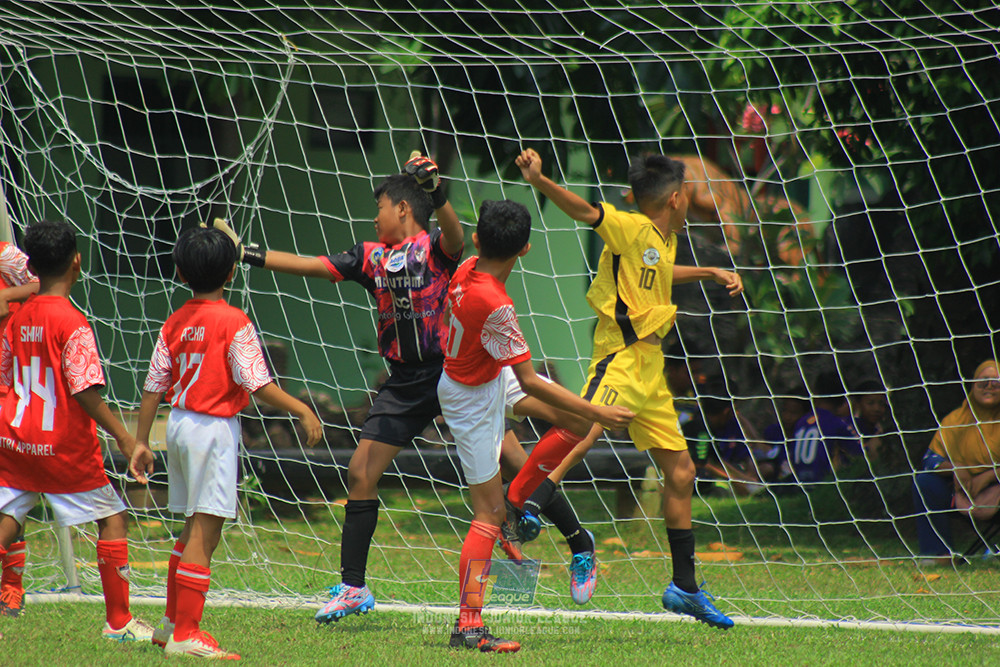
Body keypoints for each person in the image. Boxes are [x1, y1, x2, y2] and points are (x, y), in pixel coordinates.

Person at [508, 148, 741, 629]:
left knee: (680, 473)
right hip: (620, 358)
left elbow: (658, 274)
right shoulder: (630, 227)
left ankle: (684, 588)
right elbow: (586, 211)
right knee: (583, 435)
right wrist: (541, 179)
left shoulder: (663, 237)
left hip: (651, 371)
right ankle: (531, 507)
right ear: (677, 198)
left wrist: (710, 271)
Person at [437, 199, 634, 653]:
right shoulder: (497, 303)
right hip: (470, 395)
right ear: (525, 250)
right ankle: (469, 626)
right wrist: (602, 412)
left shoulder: (467, 266)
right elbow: (529, 380)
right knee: (486, 515)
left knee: (578, 424)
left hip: (485, 369)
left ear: (478, 239)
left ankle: (522, 499)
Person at [130, 225, 323, 658]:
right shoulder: (235, 322)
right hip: (212, 429)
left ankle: (170, 624)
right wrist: (302, 408)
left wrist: (142, 441)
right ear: (233, 272)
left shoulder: (174, 322)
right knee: (206, 528)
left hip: (177, 425)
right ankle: (187, 635)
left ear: (179, 273)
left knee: (190, 528)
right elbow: (258, 385)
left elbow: (153, 386)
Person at [0, 220, 154, 641]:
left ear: (30, 265)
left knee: (10, 516)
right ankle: (120, 623)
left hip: (16, 438)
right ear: (77, 262)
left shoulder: (18, 318)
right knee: (113, 517)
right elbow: (85, 391)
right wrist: (125, 437)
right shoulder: (73, 322)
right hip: (63, 446)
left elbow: (7, 376)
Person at [912, 359, 1000, 561]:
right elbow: (930, 459)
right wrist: (954, 468)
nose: (989, 387)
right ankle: (937, 553)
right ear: (972, 385)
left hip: (996, 494)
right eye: (983, 381)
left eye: (996, 382)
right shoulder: (955, 420)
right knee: (925, 482)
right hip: (962, 492)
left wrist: (988, 476)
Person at [0, 239, 38, 618]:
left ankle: (11, 587)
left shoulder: (5, 256)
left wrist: (9, 294)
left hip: (7, 390)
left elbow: (48, 283)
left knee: (10, 495)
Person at [776, 372, 863, 487]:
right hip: (822, 483)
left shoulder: (802, 421)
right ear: (843, 399)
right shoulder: (837, 424)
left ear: (815, 393)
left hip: (799, 481)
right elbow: (860, 455)